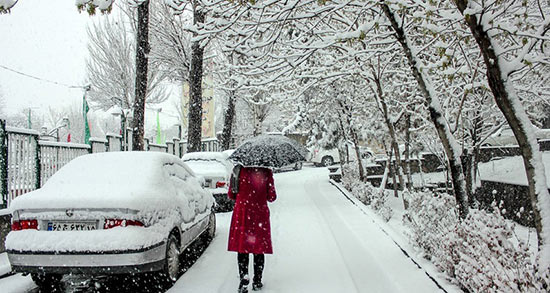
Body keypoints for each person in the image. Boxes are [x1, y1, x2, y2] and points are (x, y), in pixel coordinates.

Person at [228, 166, 277, 293]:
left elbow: (231, 194)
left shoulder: (237, 170)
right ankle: (257, 281)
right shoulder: (266, 172)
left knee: (242, 247)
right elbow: (272, 197)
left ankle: (244, 277)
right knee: (258, 247)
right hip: (259, 214)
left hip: (242, 213)